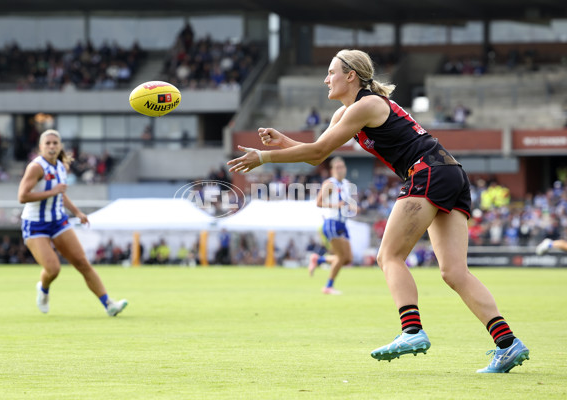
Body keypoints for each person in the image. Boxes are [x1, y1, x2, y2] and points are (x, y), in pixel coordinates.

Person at [227, 49, 529, 373]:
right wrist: (283, 141)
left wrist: (264, 158)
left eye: (331, 72)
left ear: (351, 76)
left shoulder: (367, 105)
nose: (325, 79)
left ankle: (411, 331)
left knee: (388, 256)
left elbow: (317, 150)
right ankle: (508, 343)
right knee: (454, 272)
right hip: (449, 172)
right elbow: (318, 155)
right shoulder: (346, 114)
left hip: (427, 172)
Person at [18, 129, 127, 317]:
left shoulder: (61, 166)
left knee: (82, 262)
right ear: (41, 147)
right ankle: (43, 288)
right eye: (48, 143)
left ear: (60, 146)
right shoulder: (36, 167)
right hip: (35, 224)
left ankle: (109, 304)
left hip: (58, 221)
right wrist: (52, 192)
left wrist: (77, 212)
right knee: (53, 269)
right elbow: (23, 196)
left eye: (55, 143)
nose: (52, 146)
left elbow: (60, 193)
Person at [308, 157, 356, 295]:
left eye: (343, 167)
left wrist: (352, 206)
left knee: (348, 259)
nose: (341, 170)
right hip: (331, 222)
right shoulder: (330, 184)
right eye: (338, 167)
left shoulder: (346, 184)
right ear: (332, 170)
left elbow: (346, 202)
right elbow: (318, 202)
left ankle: (318, 259)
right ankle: (328, 286)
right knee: (340, 256)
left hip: (343, 223)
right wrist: (336, 205)